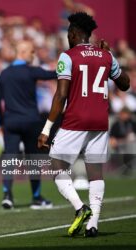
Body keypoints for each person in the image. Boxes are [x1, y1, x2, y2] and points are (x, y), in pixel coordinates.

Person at [38, 12, 130, 237]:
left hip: (76, 120)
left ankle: (80, 208)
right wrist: (110, 57)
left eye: (68, 32)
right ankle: (93, 224)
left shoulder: (67, 56)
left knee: (56, 166)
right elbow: (125, 84)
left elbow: (60, 96)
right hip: (100, 121)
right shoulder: (106, 55)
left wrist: (46, 129)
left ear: (73, 33)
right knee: (95, 172)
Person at [0, 40, 56, 210]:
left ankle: (7, 195)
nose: (33, 54)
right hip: (30, 121)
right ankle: (36, 197)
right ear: (22, 52)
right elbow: (53, 75)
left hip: (11, 122)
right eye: (31, 51)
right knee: (34, 159)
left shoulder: (5, 74)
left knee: (9, 158)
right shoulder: (31, 71)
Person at [110, 107, 136, 175]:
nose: (125, 116)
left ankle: (128, 169)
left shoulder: (132, 123)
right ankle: (122, 169)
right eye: (124, 114)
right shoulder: (116, 124)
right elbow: (112, 137)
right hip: (119, 144)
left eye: (127, 114)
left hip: (131, 144)